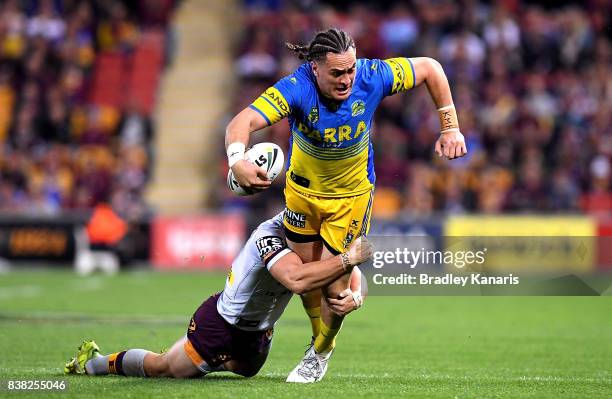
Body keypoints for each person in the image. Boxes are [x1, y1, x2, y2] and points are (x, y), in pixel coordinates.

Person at [225, 28, 467, 383]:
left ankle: (321, 351)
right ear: (315, 68)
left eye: (350, 69)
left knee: (335, 291)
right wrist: (237, 159)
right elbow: (241, 122)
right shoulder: (296, 88)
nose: (347, 79)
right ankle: (317, 341)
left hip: (350, 200)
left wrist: (450, 128)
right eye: (337, 73)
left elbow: (431, 68)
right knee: (308, 282)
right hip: (303, 196)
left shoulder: (373, 76)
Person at [63, 212, 371, 379]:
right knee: (164, 369)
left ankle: (199, 358)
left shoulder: (315, 238)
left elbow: (350, 278)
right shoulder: (269, 235)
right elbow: (297, 280)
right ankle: (96, 362)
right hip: (221, 325)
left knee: (248, 371)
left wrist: (357, 295)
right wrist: (347, 259)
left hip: (259, 331)